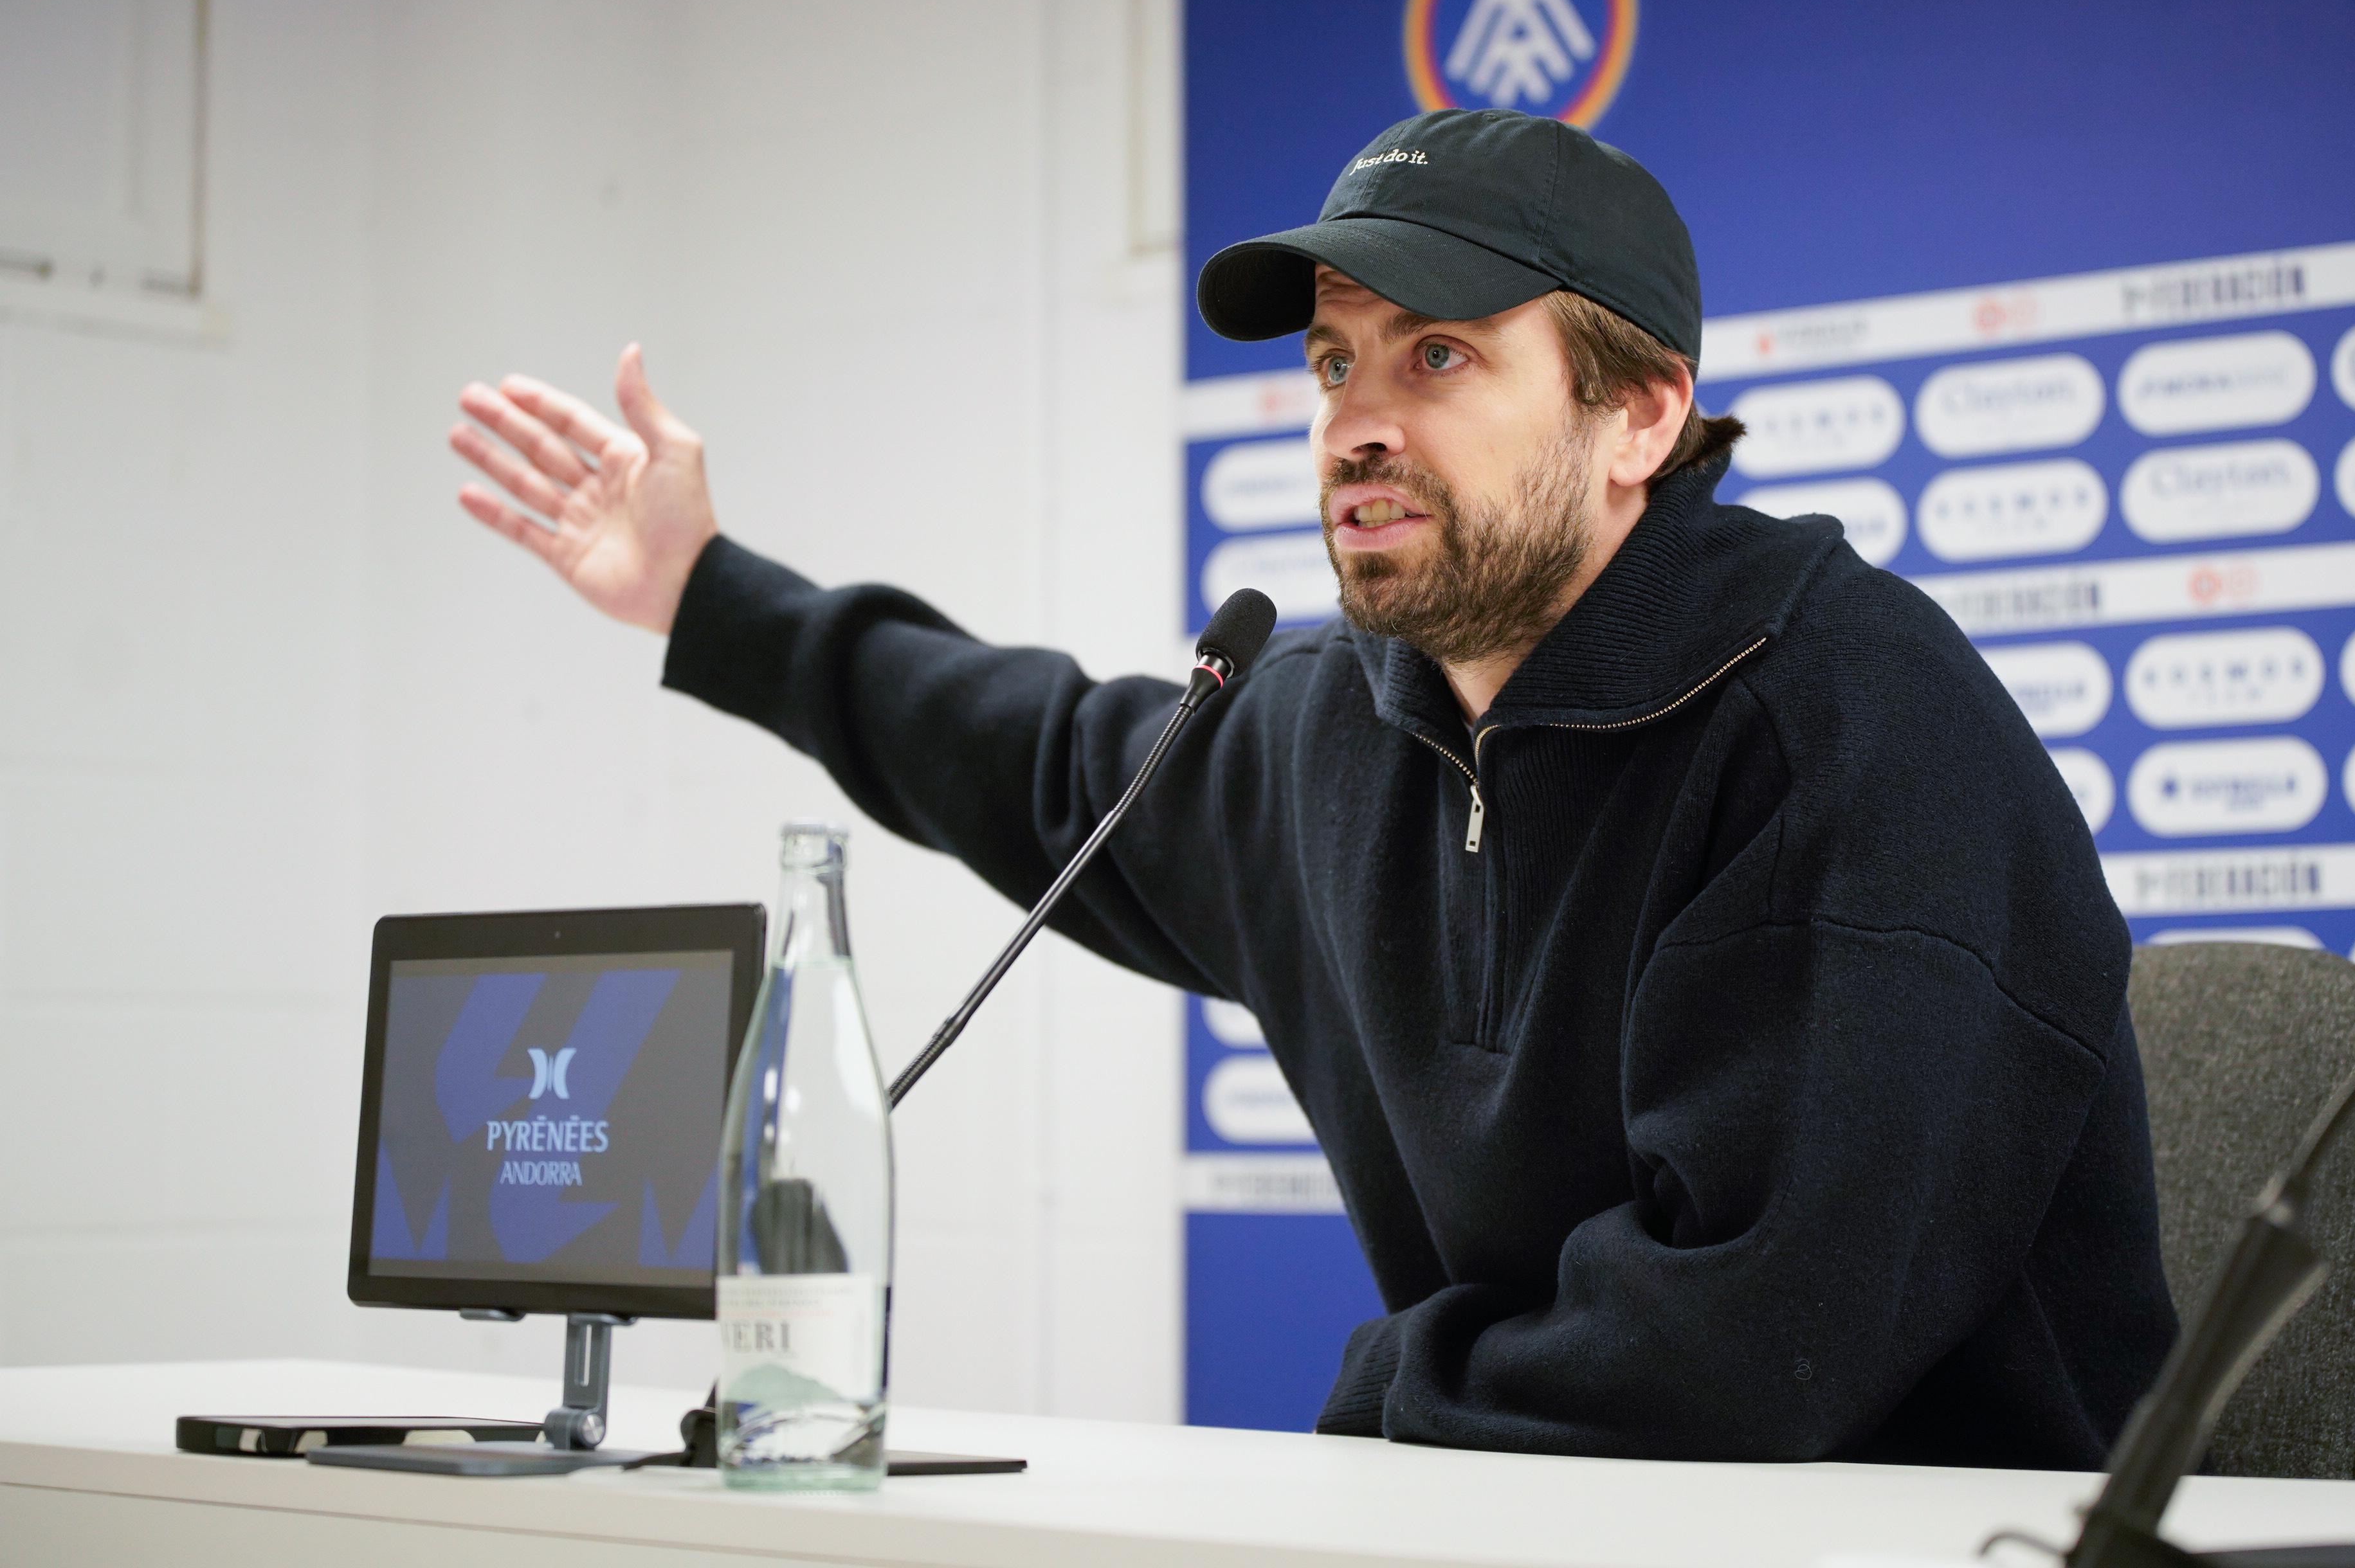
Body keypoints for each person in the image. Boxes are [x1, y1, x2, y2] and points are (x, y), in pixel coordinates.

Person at [446, 107, 2178, 1468]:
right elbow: (1041, 764)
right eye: (1336, 363)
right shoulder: (1333, 730)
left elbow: (1747, 1352)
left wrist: (1379, 1388)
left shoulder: (1842, 718)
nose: (1356, 420)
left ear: (1641, 415)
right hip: (1543, 1526)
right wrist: (704, 593)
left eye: (1438, 357)